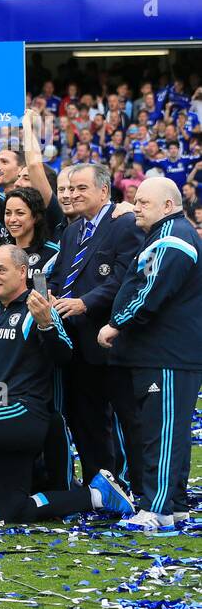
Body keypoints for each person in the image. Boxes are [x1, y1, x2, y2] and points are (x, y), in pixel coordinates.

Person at [0, 246, 131, 529]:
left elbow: (64, 355)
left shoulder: (38, 306)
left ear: (22, 272)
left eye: (1, 270)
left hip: (23, 412)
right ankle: (96, 495)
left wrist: (47, 325)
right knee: (14, 509)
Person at [99, 177, 202, 534]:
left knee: (162, 432)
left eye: (143, 202)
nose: (136, 207)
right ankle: (173, 506)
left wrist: (116, 323)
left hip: (169, 354)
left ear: (168, 206)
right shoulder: (162, 234)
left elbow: (152, 290)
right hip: (161, 353)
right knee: (165, 431)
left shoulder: (173, 237)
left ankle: (156, 507)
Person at [48, 162, 142, 488]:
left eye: (80, 188)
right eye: (70, 188)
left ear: (103, 190)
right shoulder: (73, 230)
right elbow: (62, 276)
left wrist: (84, 302)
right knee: (85, 420)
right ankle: (98, 486)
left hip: (111, 342)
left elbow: (124, 278)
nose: (72, 194)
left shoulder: (125, 223)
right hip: (76, 342)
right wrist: (50, 295)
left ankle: (139, 487)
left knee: (127, 421)